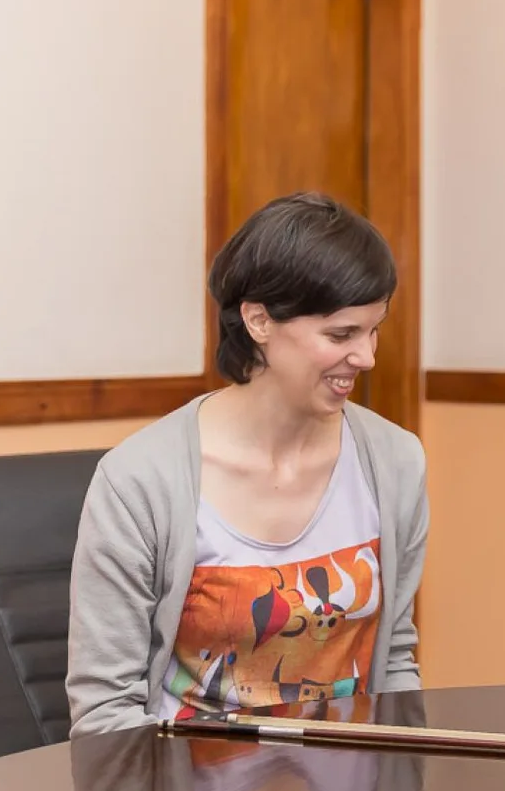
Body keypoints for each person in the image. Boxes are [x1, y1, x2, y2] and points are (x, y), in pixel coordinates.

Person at [65, 192, 429, 738]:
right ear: (258, 320)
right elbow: (104, 710)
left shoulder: (395, 461)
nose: (367, 357)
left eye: (373, 329)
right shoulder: (139, 480)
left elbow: (394, 658)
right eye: (341, 335)